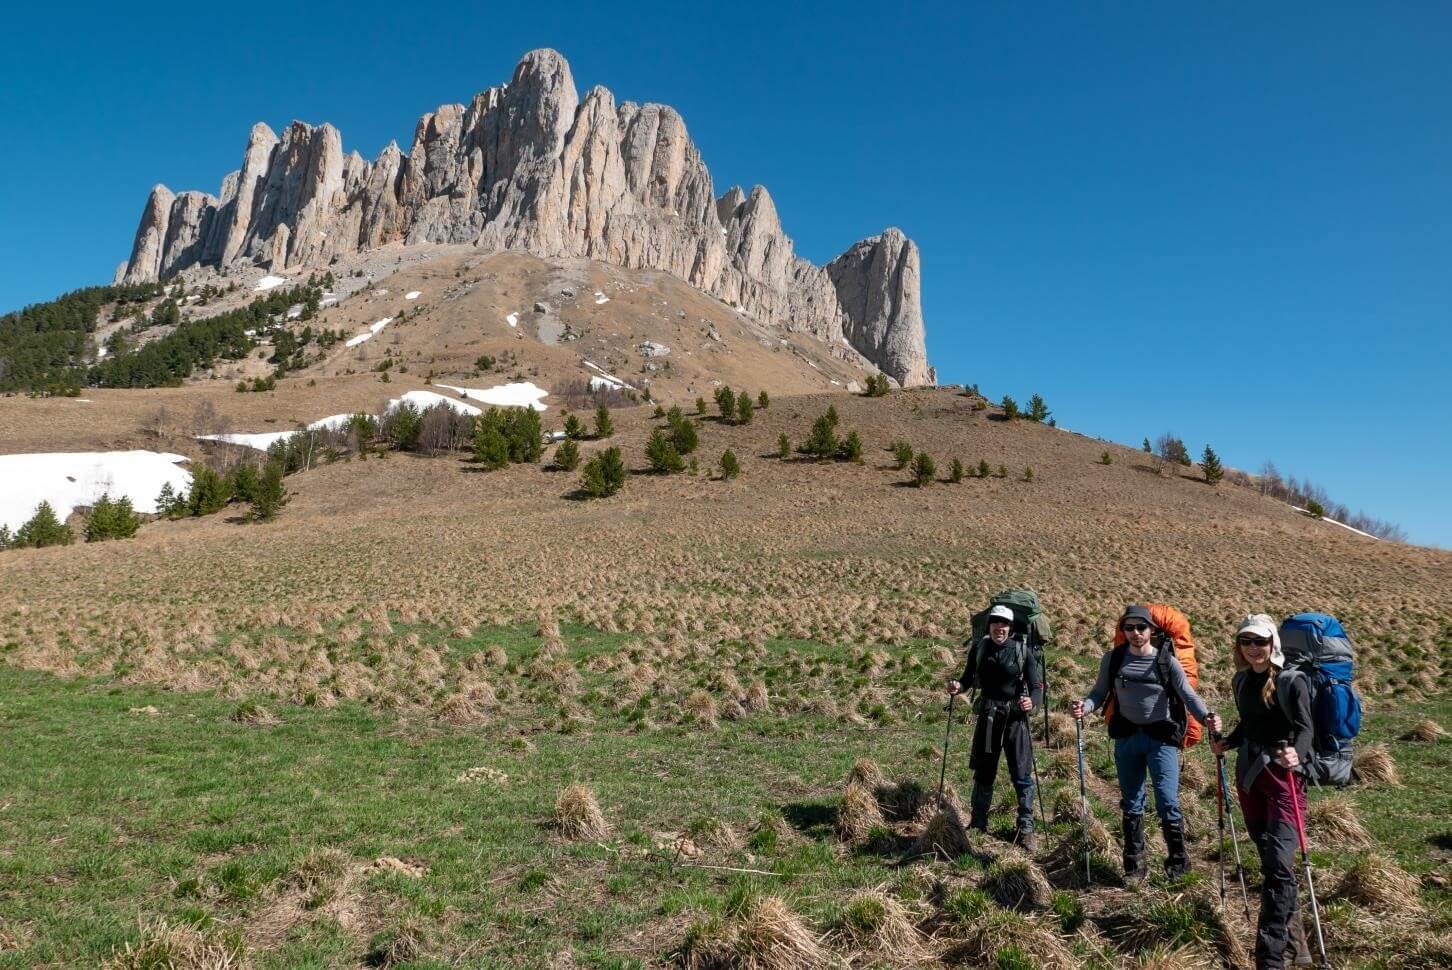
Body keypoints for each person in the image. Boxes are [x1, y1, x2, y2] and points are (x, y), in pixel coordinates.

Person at [1070, 605, 1213, 881]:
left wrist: (1207, 718)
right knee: (1132, 802)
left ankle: (1178, 864)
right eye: (1129, 628)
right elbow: (1099, 692)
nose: (1135, 633)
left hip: (1161, 741)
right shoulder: (1112, 659)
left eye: (1141, 627)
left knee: (1168, 801)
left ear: (1152, 630)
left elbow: (1187, 694)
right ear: (1123, 631)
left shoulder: (1166, 661)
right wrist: (1085, 707)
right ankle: (1134, 866)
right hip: (1127, 739)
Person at [1212, 614, 1315, 969]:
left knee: (1278, 866)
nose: (1254, 648)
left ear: (1273, 644)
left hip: (1285, 779)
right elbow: (1249, 723)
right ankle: (1297, 942)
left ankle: (1271, 958)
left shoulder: (1292, 680)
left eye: (1260, 641)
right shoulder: (1240, 681)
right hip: (1251, 777)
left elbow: (1305, 727)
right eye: (1246, 641)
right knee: (1272, 862)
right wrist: (1228, 741)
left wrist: (1296, 753)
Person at [947, 604, 1044, 850]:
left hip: (1015, 719)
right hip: (989, 714)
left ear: (1010, 628)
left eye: (1004, 624)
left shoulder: (1023, 651)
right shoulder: (980, 648)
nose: (999, 627)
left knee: (1021, 773)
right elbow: (968, 678)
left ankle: (1026, 828)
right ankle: (979, 822)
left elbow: (1036, 685)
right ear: (989, 625)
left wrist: (1032, 702)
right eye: (995, 623)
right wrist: (958, 687)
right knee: (984, 769)